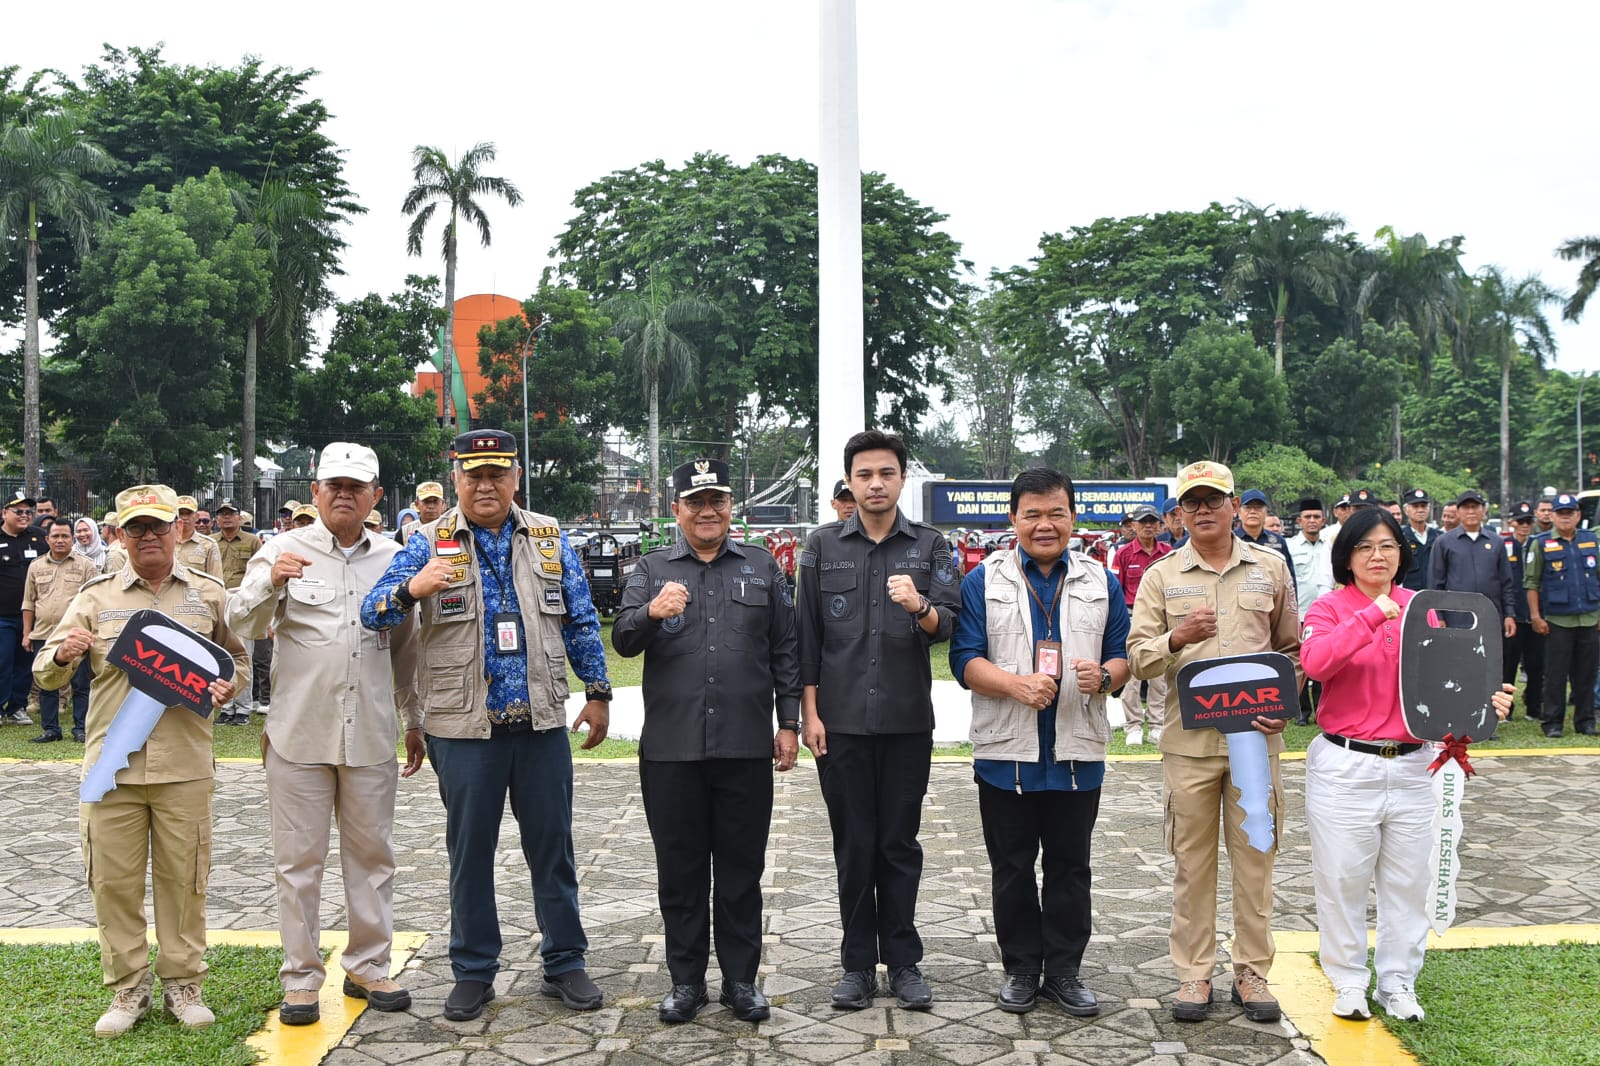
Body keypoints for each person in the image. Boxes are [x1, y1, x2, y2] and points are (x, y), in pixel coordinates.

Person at [361, 429, 613, 1022]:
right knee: (470, 855)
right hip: (463, 729)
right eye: (473, 475)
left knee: (553, 850)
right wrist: (411, 588)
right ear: (456, 479)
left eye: (497, 473)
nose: (485, 485)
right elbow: (372, 611)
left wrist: (598, 692)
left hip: (541, 723)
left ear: (515, 477)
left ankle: (565, 962)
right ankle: (473, 971)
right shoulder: (427, 541)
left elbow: (580, 619)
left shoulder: (549, 537)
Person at [36, 484, 248, 1038]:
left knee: (185, 881)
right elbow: (46, 670)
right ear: (119, 535)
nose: (148, 536)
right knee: (112, 883)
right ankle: (128, 988)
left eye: (158, 525)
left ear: (177, 529)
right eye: (137, 528)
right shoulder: (95, 598)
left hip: (185, 765)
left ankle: (184, 984)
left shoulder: (209, 594)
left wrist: (231, 687)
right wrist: (61, 655)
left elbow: (237, 658)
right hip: (112, 768)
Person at [230, 444, 424, 1026]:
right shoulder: (281, 550)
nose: (344, 494)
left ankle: (368, 965)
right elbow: (241, 621)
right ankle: (301, 978)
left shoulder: (395, 558)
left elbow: (406, 648)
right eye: (333, 485)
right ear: (314, 492)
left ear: (375, 496)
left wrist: (413, 719)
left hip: (370, 734)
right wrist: (271, 583)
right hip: (298, 734)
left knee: (373, 857)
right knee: (298, 863)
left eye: (356, 486)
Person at [1302, 508, 1512, 1023]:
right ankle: (1349, 979)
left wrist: (1486, 704)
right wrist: (1373, 615)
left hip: (1416, 764)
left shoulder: (1425, 608)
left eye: (1388, 546)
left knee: (1409, 882)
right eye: (1365, 546)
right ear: (1346, 556)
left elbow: (1452, 678)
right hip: (1346, 764)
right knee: (1342, 880)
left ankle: (1397, 981)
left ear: (1402, 553)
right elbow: (1316, 664)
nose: (1377, 556)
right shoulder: (1328, 608)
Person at [612, 457, 800, 1025]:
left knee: (741, 871)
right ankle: (687, 982)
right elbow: (623, 639)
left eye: (716, 500)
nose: (707, 511)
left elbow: (786, 649)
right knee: (681, 872)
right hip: (672, 751)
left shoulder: (762, 567)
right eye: (695, 502)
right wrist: (652, 612)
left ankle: (741, 981)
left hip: (744, 747)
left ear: (730, 506)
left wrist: (788, 723)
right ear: (677, 510)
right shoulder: (651, 569)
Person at [950, 469, 1128, 1017]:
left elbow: (1122, 654)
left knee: (1071, 868)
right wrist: (1015, 685)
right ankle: (1022, 969)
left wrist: (1106, 676)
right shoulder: (984, 580)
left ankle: (1065, 972)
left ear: (1073, 517)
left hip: (1077, 750)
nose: (1044, 524)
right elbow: (964, 659)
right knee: (1012, 868)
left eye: (1056, 513)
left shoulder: (1101, 580)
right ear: (1014, 518)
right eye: (1032, 514)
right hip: (1007, 754)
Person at [1127, 460, 1300, 1025]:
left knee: (1256, 861)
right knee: (1193, 864)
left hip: (1254, 742)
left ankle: (1251, 972)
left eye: (1213, 500)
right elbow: (1138, 657)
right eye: (1192, 502)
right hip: (1190, 744)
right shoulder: (1161, 576)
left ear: (1234, 506)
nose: (1203, 510)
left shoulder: (1270, 568)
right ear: (1178, 513)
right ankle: (1194, 973)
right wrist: (1177, 637)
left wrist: (1283, 704)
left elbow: (1292, 652)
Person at [796, 429, 960, 1012]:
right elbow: (807, 636)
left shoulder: (932, 545)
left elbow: (950, 623)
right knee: (854, 845)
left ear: (902, 478)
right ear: (849, 481)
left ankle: (905, 962)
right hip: (838, 723)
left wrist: (920, 606)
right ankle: (857, 965)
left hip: (906, 721)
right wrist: (808, 715)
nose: (875, 484)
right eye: (864, 475)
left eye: (886, 473)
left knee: (899, 844)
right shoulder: (820, 546)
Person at [1524, 493, 1600, 738]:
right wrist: (1536, 616)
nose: (1565, 517)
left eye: (1570, 513)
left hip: (1588, 617)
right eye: (1561, 513)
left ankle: (1586, 721)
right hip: (1557, 620)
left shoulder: (1591, 540)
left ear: (1578, 515)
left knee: (1586, 674)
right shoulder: (1541, 543)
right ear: (1553, 516)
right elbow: (1532, 583)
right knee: (1556, 675)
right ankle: (1552, 722)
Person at [22, 517, 99, 742]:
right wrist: (26, 634)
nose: (60, 540)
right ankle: (51, 729)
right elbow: (28, 602)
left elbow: (95, 601)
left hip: (76, 635)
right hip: (44, 633)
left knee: (81, 684)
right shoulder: (36, 566)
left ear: (72, 539)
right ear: (47, 539)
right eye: (55, 536)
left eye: (65, 536)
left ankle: (81, 728)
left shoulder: (86, 565)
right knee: (46, 682)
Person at [1110, 505, 1170, 746]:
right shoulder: (1123, 554)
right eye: (1143, 522)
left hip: (1160, 617)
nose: (1148, 526)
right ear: (1133, 526)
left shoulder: (1168, 553)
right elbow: (1116, 590)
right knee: (1132, 673)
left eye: (1152, 522)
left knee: (1159, 673)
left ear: (1159, 526)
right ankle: (1133, 725)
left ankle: (1157, 725)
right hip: (1131, 616)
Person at [1428, 490, 1517, 639]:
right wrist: (1438, 615)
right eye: (1466, 507)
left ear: (1484, 510)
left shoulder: (1496, 542)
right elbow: (1435, 582)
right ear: (1458, 512)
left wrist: (1509, 614)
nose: (1471, 511)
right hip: (1456, 618)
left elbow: (1506, 582)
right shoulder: (1444, 542)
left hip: (1490, 617)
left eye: (1475, 507)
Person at [211, 500, 263, 724]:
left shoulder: (252, 541)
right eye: (222, 514)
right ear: (216, 519)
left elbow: (260, 571)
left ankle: (243, 708)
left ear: (239, 518)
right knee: (220, 656)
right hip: (218, 603)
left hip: (242, 604)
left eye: (230, 514)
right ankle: (226, 707)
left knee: (243, 656)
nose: (226, 518)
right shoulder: (211, 542)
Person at [0, 491, 48, 726]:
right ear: (4, 513)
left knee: (25, 664)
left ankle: (17, 707)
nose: (24, 515)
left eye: (29, 512)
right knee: (3, 661)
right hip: (3, 616)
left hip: (32, 615)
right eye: (18, 511)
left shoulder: (39, 537)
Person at [1287, 498, 1334, 723]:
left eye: (1316, 517)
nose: (1312, 521)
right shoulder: (1290, 546)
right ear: (1299, 521)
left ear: (1323, 520)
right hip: (1300, 613)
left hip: (1326, 615)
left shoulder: (1330, 544)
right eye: (1307, 517)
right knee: (1300, 662)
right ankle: (1302, 712)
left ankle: (1322, 707)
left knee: (1323, 661)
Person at [1502, 502, 1545, 722]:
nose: (1525, 525)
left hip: (1535, 615)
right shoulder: (1503, 545)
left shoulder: (1539, 544)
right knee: (1508, 667)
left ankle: (1534, 709)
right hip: (1514, 615)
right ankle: (1506, 709)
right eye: (1521, 521)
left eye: (1528, 521)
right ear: (1512, 522)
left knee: (1536, 665)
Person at [173, 496, 224, 579]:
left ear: (196, 516)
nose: (184, 517)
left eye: (188, 513)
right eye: (181, 513)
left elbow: (216, 579)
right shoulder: (164, 542)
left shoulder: (209, 544)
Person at [1398, 489, 1435, 591]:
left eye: (1423, 506)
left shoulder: (1439, 537)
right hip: (1410, 593)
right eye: (1415, 506)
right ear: (1406, 510)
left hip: (1435, 593)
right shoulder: (1400, 537)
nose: (1420, 510)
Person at [396, 481, 447, 546]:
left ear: (443, 504)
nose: (431, 506)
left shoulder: (453, 530)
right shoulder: (404, 532)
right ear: (416, 504)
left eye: (435, 501)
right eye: (426, 501)